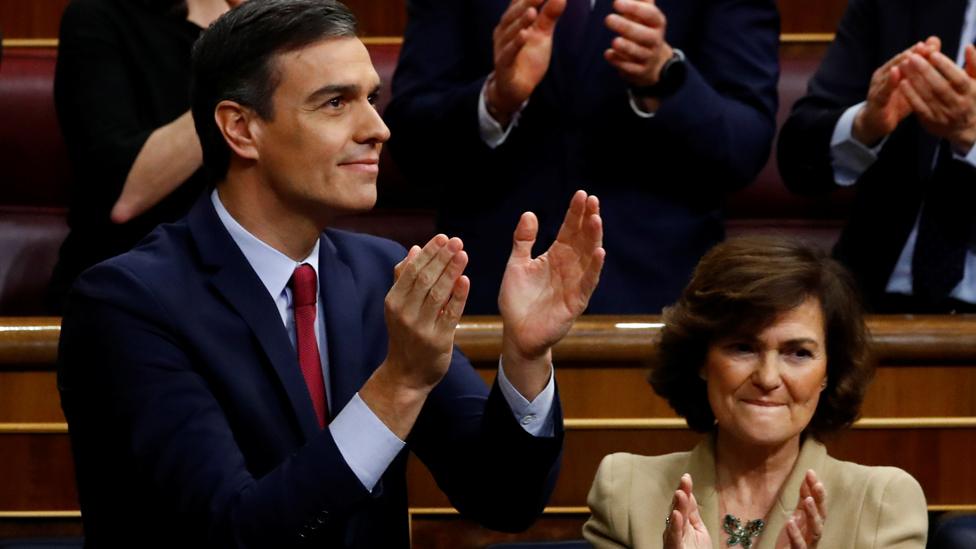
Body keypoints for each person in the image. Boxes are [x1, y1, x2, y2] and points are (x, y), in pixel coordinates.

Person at [57, 1, 606, 547]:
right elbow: (230, 534)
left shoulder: (376, 272)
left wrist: (527, 357)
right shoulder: (126, 303)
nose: (378, 129)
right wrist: (399, 384)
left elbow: (503, 499)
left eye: (372, 98)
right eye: (336, 103)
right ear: (241, 129)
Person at [384, 0, 779, 314]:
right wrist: (495, 100)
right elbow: (412, 146)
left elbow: (743, 148)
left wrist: (665, 77)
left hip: (659, 299)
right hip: (487, 292)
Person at [583, 236, 927, 548]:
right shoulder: (626, 491)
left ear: (828, 373)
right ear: (702, 360)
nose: (767, 377)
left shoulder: (883, 503)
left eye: (798, 353)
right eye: (743, 347)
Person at [777, 0, 976, 313]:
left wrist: (972, 137)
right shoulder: (891, 6)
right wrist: (864, 125)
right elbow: (798, 158)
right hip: (865, 303)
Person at [49, 0, 242, 311]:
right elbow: (125, 196)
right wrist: (246, 68)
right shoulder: (99, 17)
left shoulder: (291, 23)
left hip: (254, 279)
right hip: (133, 288)